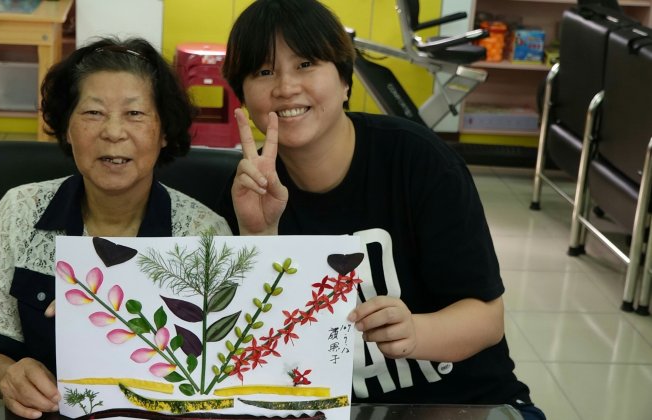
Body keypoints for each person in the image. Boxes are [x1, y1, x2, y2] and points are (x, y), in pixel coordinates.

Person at [218, 1, 545, 419]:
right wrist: (258, 238)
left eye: (305, 64)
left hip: (465, 402)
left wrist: (416, 332)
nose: (285, 86)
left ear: (345, 81)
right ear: (244, 95)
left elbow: (487, 318)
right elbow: (249, 352)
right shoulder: (247, 189)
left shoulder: (420, 162)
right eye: (264, 72)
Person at [0, 37, 231, 419]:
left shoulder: (204, 234)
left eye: (135, 113)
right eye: (93, 113)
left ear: (164, 131)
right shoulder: (20, 210)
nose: (113, 132)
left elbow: (223, 375)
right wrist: (9, 375)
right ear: (67, 128)